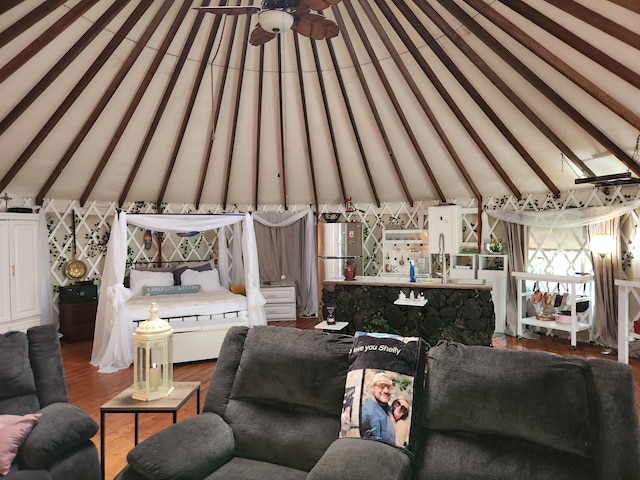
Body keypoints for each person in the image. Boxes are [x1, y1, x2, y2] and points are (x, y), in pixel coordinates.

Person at [360, 372, 395, 445]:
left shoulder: (385, 408)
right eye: (381, 386)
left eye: (389, 387)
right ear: (372, 388)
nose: (386, 391)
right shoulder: (369, 411)